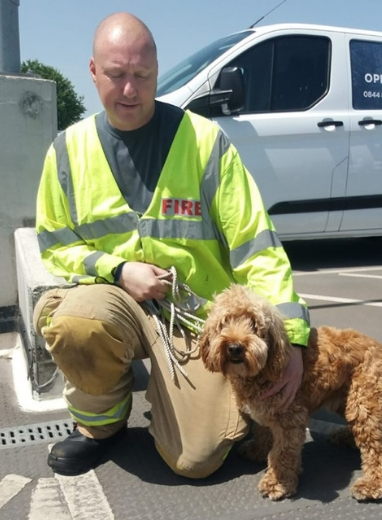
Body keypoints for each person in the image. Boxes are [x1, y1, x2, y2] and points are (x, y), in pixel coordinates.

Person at [33, 12, 310, 478]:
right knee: (77, 321)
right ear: (94, 71)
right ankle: (101, 423)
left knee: (196, 461)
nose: (129, 90)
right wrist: (118, 269)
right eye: (117, 75)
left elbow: (256, 247)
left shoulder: (205, 143)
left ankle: (180, 393)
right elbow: (54, 244)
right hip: (114, 301)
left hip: (194, 320)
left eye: (142, 76)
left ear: (157, 72)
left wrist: (293, 340)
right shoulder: (68, 150)